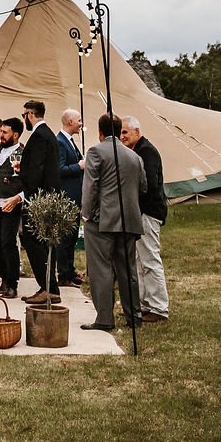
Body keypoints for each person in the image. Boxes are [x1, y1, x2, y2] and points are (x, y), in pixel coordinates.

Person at [79, 113, 144, 333]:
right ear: (119, 130)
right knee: (128, 270)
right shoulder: (134, 156)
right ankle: (134, 316)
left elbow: (90, 187)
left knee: (101, 270)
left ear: (100, 132)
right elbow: (143, 186)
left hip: (102, 221)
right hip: (130, 219)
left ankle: (105, 318)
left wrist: (86, 214)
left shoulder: (96, 151)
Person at [121, 116, 171, 324]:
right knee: (139, 260)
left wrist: (133, 202)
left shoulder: (146, 152)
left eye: (125, 132)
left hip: (148, 212)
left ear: (136, 132)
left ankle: (159, 307)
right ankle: (143, 304)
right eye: (120, 132)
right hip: (139, 213)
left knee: (149, 259)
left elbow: (148, 185)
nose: (121, 136)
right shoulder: (136, 151)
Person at [16, 100, 61, 303]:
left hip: (38, 200)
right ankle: (49, 286)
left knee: (35, 243)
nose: (24, 118)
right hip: (44, 197)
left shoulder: (40, 137)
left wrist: (27, 194)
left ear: (30, 114)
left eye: (24, 114)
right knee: (41, 244)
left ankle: (48, 287)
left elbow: (36, 171)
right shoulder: (48, 135)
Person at [0, 118, 25, 297]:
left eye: (5, 132)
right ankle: (3, 277)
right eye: (1, 131)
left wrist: (18, 199)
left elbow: (29, 181)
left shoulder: (24, 152)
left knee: (8, 243)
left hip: (11, 203)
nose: (1, 135)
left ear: (15, 135)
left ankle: (13, 282)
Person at [55, 109, 86, 288]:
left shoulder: (70, 141)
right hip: (66, 197)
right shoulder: (60, 142)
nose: (81, 124)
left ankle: (70, 270)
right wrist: (78, 166)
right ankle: (63, 274)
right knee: (65, 238)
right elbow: (59, 170)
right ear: (70, 122)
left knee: (72, 236)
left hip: (74, 197)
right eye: (79, 120)